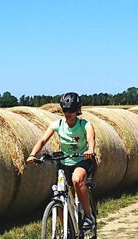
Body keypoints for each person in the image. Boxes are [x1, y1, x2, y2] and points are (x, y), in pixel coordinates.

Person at [27, 92, 97, 230]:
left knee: (77, 180)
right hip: (64, 162)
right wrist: (32, 154)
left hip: (82, 160)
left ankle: (89, 216)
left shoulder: (85, 125)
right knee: (59, 195)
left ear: (77, 110)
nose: (68, 113)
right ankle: (67, 232)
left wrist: (90, 149)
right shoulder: (57, 124)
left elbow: (90, 138)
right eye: (65, 110)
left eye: (71, 110)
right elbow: (42, 140)